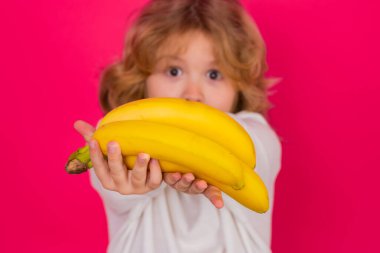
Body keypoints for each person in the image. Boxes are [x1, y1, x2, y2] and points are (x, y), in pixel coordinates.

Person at [74, 0, 282, 252]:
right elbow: (112, 182)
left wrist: (201, 161)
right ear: (143, 79)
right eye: (174, 71)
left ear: (239, 86)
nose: (192, 94)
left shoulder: (257, 135)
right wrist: (117, 171)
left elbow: (254, 155)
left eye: (214, 75)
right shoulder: (125, 138)